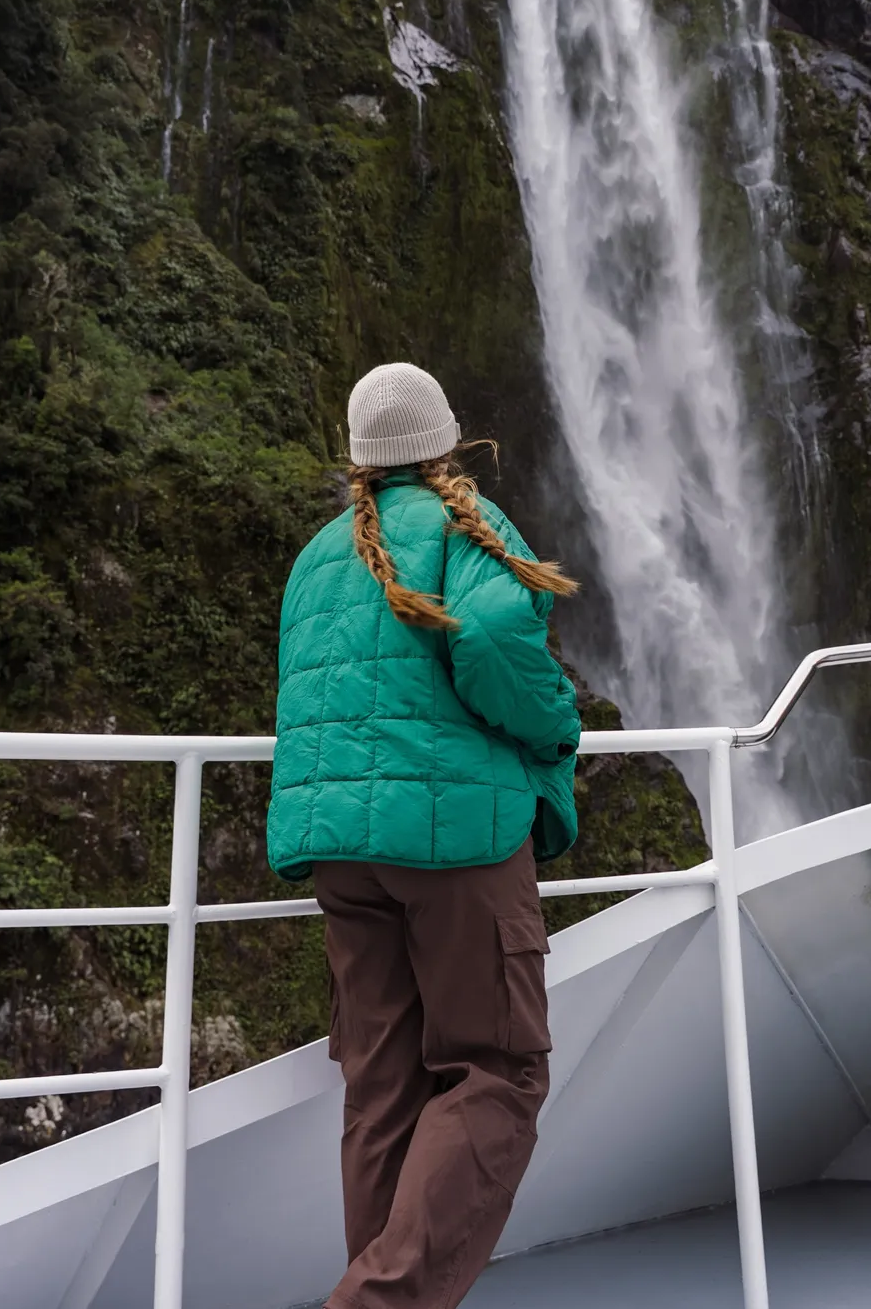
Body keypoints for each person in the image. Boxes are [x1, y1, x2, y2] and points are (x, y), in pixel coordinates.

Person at [267, 362, 582, 1309]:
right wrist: (554, 728)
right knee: (498, 1071)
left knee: (383, 1091)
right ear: (444, 441)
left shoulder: (319, 556)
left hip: (340, 848)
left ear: (359, 456)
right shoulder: (463, 523)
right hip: (453, 843)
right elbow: (492, 636)